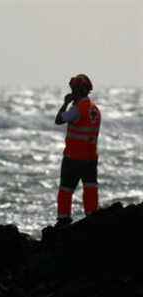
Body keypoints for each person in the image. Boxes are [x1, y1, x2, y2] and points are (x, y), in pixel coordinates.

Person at [54, 74, 102, 226]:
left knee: (66, 191)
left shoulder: (77, 109)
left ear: (78, 91)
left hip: (73, 158)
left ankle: (63, 220)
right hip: (91, 159)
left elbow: (58, 120)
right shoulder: (95, 110)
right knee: (90, 188)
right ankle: (92, 217)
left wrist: (65, 103)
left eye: (73, 90)